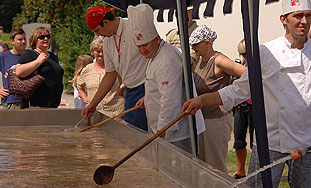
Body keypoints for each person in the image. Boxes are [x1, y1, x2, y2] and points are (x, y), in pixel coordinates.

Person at [183, 0, 311, 187]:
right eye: (298, 16)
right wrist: (203, 99)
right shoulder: (267, 52)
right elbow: (239, 90)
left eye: (308, 15)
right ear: (283, 19)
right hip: (271, 139)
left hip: (306, 140)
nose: (304, 21)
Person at [128, 3, 192, 153]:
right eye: (139, 46)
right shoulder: (155, 54)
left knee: (176, 171)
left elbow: (170, 98)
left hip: (173, 133)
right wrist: (148, 98)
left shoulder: (167, 59)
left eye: (145, 45)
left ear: (157, 39)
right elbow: (158, 84)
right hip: (162, 129)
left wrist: (162, 129)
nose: (142, 50)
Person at [189, 25, 246, 173]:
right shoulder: (200, 60)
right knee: (204, 163)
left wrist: (232, 92)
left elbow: (246, 74)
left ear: (207, 43)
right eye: (192, 44)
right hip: (203, 120)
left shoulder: (219, 60)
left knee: (216, 165)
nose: (193, 47)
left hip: (216, 120)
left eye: (196, 44)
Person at [83, 5, 148, 131]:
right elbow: (110, 75)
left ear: (106, 22)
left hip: (146, 86)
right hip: (130, 90)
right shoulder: (107, 42)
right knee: (133, 132)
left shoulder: (133, 27)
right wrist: (93, 104)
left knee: (145, 133)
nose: (98, 35)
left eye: (97, 30)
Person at [16, 27, 64, 108]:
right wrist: (38, 61)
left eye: (48, 36)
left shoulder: (53, 56)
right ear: (35, 40)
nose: (46, 39)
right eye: (41, 37)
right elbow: (19, 72)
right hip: (36, 104)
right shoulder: (29, 54)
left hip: (53, 104)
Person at [77, 37, 124, 117]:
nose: (101, 54)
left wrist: (121, 88)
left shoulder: (115, 68)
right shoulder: (87, 70)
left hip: (116, 111)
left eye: (103, 51)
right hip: (95, 111)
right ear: (92, 52)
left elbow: (128, 80)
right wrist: (84, 97)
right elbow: (79, 86)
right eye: (98, 51)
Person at [231, 39, 254, 179]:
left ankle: (255, 171)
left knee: (255, 142)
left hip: (254, 108)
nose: (244, 56)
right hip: (240, 107)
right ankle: (240, 170)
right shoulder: (239, 65)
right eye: (242, 54)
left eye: (246, 53)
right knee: (238, 141)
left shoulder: (259, 64)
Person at [166, 6, 199, 71]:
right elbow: (165, 57)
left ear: (192, 13)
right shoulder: (171, 35)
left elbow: (188, 60)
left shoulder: (198, 35)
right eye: (179, 13)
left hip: (190, 77)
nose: (182, 16)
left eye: (186, 13)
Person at [0, 28, 26, 109]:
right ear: (12, 41)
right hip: (9, 101)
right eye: (20, 39)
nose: (23, 42)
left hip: (28, 102)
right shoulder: (3, 56)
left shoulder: (30, 56)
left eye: (24, 39)